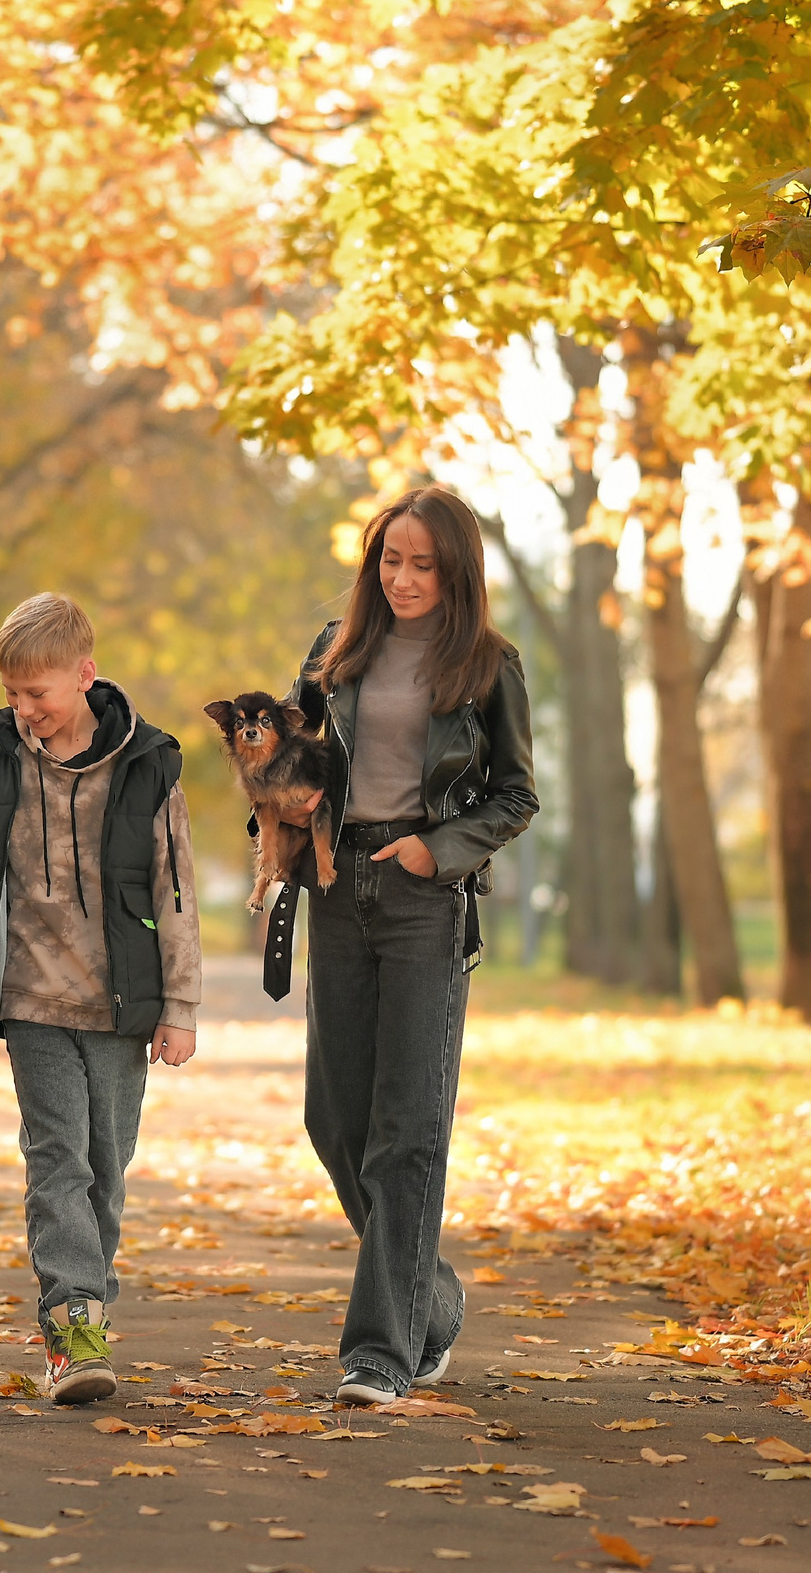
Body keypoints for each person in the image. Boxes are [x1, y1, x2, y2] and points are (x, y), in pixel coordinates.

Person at [279, 485, 536, 1407]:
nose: (404, 577)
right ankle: (431, 1295)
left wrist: (440, 848)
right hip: (337, 885)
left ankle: (379, 1352)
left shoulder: (490, 664)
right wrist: (287, 802)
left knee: (406, 1131)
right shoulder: (334, 651)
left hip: (426, 896)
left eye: (424, 563)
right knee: (333, 1118)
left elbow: (516, 794)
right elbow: (291, 756)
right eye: (391, 559)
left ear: (456, 569)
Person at [0, 593, 201, 1405]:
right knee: (57, 1160)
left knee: (105, 1170)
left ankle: (89, 1303)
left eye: (38, 692)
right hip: (32, 1001)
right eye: (12, 693)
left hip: (120, 1007)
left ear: (84, 675)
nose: (24, 708)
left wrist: (181, 1006)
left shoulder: (147, 766)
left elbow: (177, 889)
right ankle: (73, 1323)